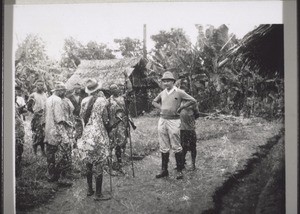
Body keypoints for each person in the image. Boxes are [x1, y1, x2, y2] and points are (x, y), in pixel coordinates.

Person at [152, 71, 196, 180]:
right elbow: (154, 102)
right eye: (164, 81)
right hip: (162, 120)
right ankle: (164, 170)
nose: (166, 83)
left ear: (173, 82)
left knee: (176, 145)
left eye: (168, 81)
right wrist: (161, 108)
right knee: (163, 145)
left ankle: (180, 170)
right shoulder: (162, 93)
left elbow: (192, 100)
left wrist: (181, 107)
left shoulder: (179, 92)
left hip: (174, 121)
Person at [77, 79, 111, 201]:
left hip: (87, 133)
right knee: (99, 162)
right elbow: (106, 120)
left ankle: (89, 190)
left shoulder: (84, 101)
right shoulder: (103, 101)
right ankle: (98, 194)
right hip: (98, 134)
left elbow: (81, 117)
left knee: (88, 161)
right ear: (98, 89)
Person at [44, 81, 74, 185]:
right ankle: (62, 178)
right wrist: (67, 125)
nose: (65, 93)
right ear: (59, 91)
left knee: (51, 154)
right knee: (63, 153)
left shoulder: (48, 99)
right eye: (64, 91)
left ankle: (51, 175)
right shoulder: (58, 101)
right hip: (57, 131)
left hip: (49, 130)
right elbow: (59, 119)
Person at [107, 84, 128, 172]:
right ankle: (110, 164)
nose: (115, 90)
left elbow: (126, 110)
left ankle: (119, 163)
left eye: (116, 88)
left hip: (122, 124)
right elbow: (106, 112)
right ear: (111, 91)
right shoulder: (108, 100)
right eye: (113, 89)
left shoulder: (123, 98)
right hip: (113, 125)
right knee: (112, 144)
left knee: (121, 143)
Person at [179, 85, 200, 171]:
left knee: (193, 147)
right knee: (182, 147)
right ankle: (182, 163)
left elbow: (197, 114)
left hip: (191, 129)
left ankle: (193, 164)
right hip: (182, 129)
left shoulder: (192, 102)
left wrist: (191, 119)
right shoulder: (178, 102)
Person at [27, 79, 48, 156]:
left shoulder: (45, 95)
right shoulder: (33, 95)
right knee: (36, 134)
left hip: (44, 117)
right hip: (37, 117)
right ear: (36, 86)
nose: (40, 86)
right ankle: (35, 151)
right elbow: (29, 107)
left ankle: (43, 151)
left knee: (43, 134)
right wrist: (35, 113)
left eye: (41, 85)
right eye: (38, 85)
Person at [15, 95, 25, 177]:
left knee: (19, 150)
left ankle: (18, 169)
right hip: (15, 133)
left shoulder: (16, 105)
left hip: (19, 133)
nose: (15, 96)